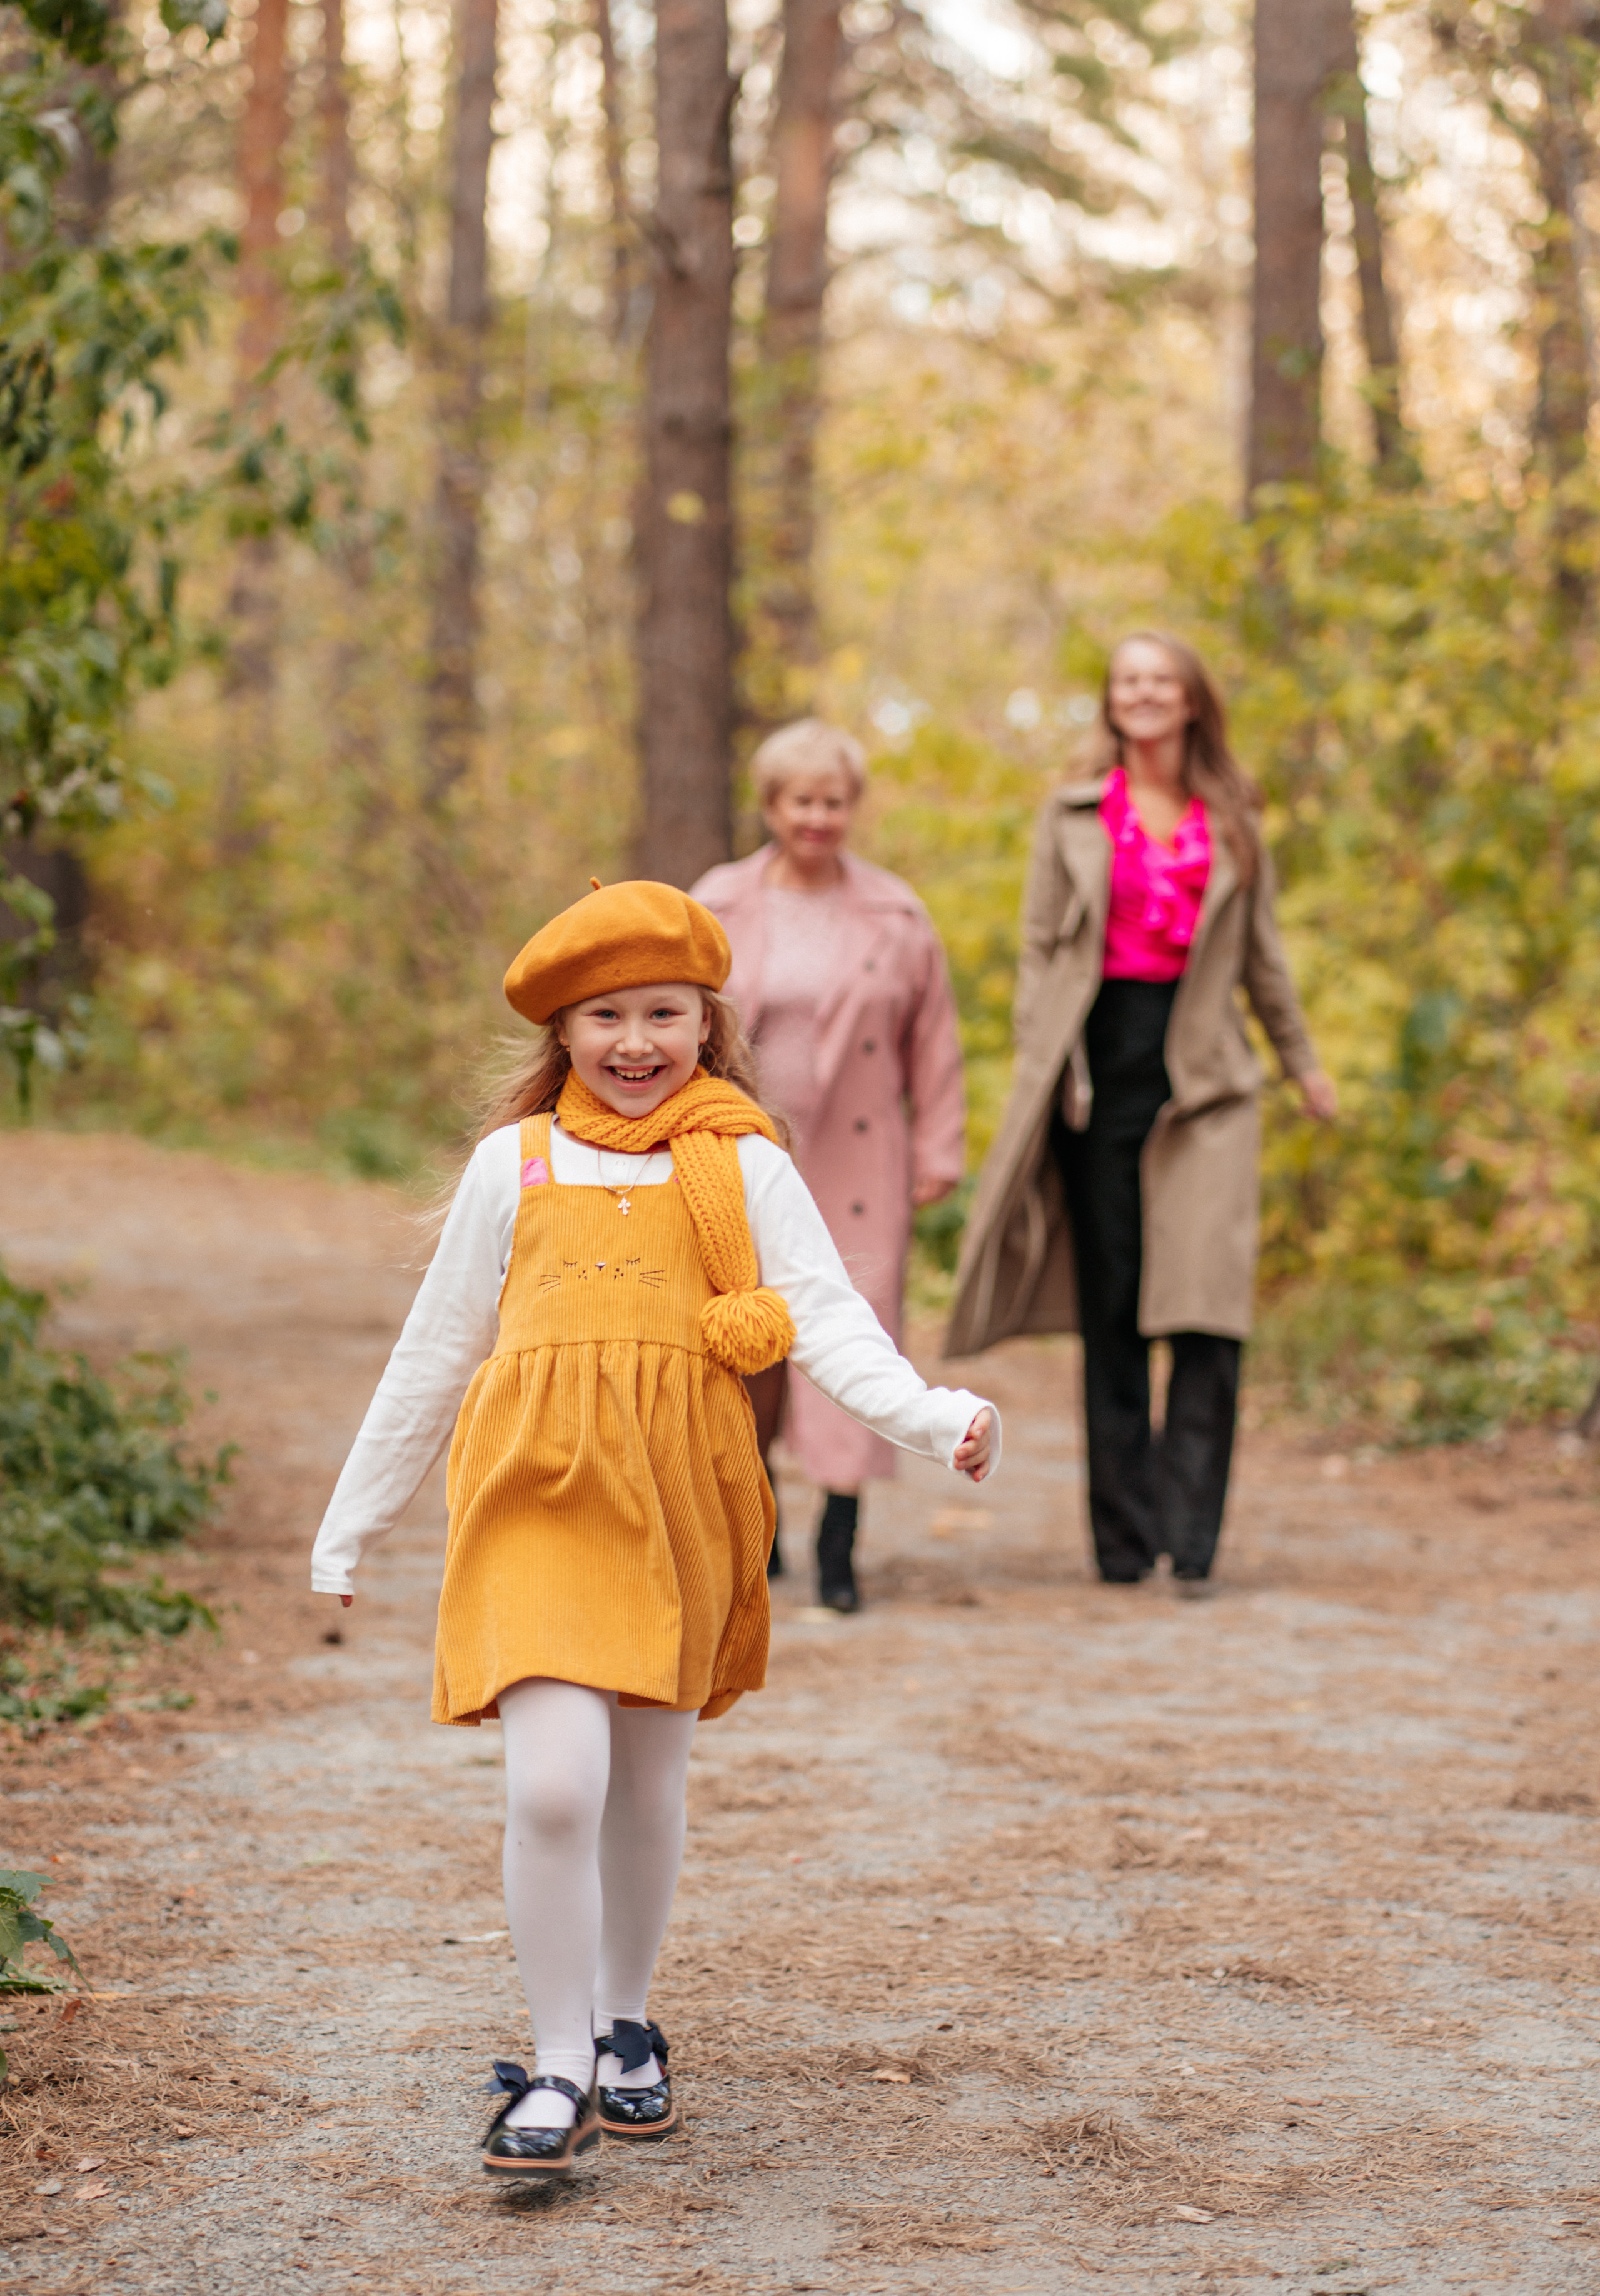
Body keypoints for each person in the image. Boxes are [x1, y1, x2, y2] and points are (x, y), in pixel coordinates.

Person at [309, 879, 996, 2177]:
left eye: (664, 1014)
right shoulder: (506, 1167)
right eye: (605, 1017)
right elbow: (435, 1349)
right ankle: (557, 2058)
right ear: (560, 1033)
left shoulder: (741, 1165)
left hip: (682, 1497)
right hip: (534, 1498)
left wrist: (932, 1415)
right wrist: (349, 1525)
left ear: (706, 1022)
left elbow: (829, 1319)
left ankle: (627, 2023)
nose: (636, 1043)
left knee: (646, 1783)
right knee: (556, 1783)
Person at [946, 633, 1333, 1592]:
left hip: (1207, 1086)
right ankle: (1123, 1544)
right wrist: (1043, 1053)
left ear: (1193, 700)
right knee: (1113, 1314)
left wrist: (1304, 1067)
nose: (1145, 694)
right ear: (1112, 703)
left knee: (1207, 1312)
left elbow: (1264, 961)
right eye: (1129, 682)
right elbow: (1039, 945)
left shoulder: (1236, 817)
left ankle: (1192, 1542)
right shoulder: (1072, 813)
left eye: (1163, 680)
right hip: (1097, 1077)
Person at [692, 721, 965, 1613]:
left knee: (855, 1324)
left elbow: (935, 1039)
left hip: (860, 1155)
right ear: (771, 805)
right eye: (801, 800)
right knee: (747, 1327)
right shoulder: (720, 900)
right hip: (743, 1144)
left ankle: (840, 1537)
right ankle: (755, 1513)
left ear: (853, 808)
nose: (818, 817)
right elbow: (679, 1019)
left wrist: (938, 1150)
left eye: (834, 801)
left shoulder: (896, 912)